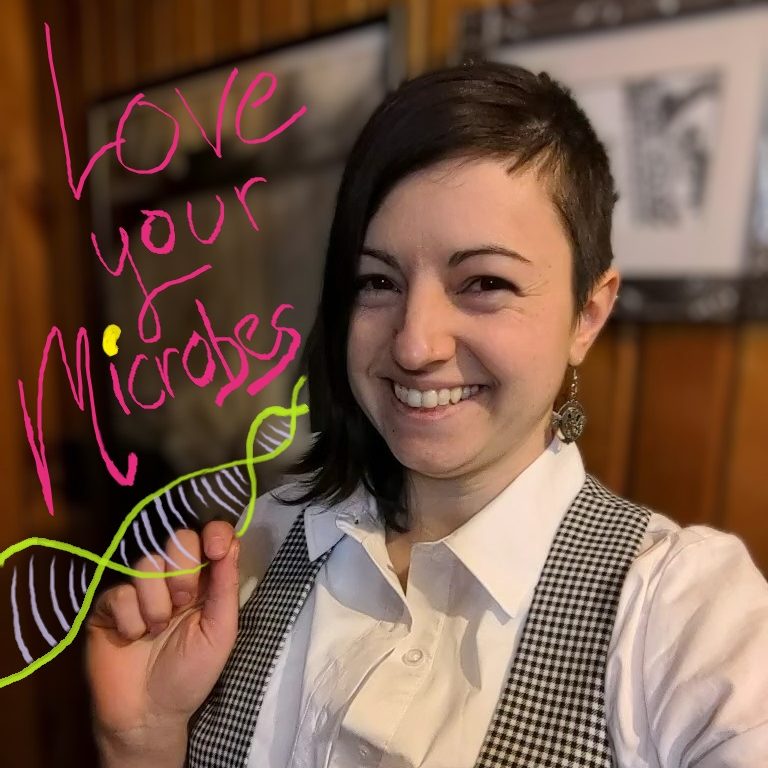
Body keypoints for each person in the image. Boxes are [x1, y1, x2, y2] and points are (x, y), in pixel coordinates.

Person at [87, 62, 768, 768]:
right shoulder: (259, 545)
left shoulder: (684, 617)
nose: (414, 345)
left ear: (586, 315)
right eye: (378, 281)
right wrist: (139, 739)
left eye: (484, 283)